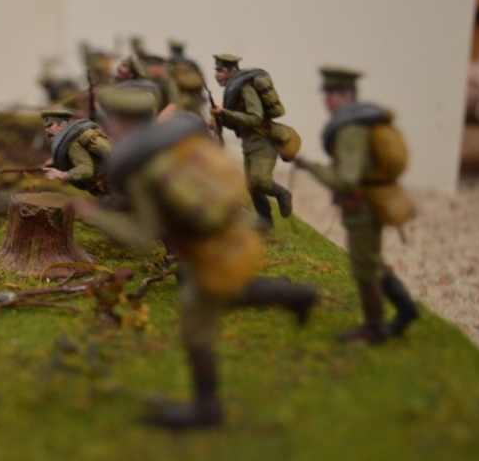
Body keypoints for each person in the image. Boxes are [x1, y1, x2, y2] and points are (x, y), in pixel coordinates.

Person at [73, 87, 317, 429]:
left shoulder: (145, 169)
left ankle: (207, 408)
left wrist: (93, 215)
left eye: (112, 119)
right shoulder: (180, 145)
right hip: (232, 237)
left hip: (208, 250)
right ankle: (297, 296)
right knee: (228, 292)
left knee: (196, 329)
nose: (108, 126)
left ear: (125, 122)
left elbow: (142, 238)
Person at [294, 67, 419, 344]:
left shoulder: (350, 128)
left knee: (365, 270)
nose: (327, 100)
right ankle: (406, 309)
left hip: (362, 207)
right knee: (373, 261)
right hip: (368, 202)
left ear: (348, 95)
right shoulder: (362, 122)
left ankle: (375, 329)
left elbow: (346, 181)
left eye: (333, 93)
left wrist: (310, 167)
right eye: (327, 93)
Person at [210, 54, 292, 232]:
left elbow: (255, 118)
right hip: (249, 142)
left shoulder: (245, 88)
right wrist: (220, 118)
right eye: (216, 70)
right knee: (251, 186)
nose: (217, 75)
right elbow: (236, 122)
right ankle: (265, 221)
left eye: (221, 71)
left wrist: (225, 113)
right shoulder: (234, 89)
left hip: (263, 140)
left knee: (261, 181)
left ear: (232, 71)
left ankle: (282, 193)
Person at [40, 108, 112, 201]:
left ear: (63, 124)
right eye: (45, 127)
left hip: (111, 189)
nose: (47, 130)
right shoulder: (70, 142)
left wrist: (64, 175)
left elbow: (86, 170)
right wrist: (54, 162)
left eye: (50, 125)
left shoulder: (73, 144)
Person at [167, 40, 205, 116]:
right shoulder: (192, 64)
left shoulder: (171, 65)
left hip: (180, 99)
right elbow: (202, 81)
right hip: (194, 99)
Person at [142, 54, 180, 120]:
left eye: (154, 66)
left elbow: (173, 103)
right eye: (150, 66)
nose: (151, 69)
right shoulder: (146, 80)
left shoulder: (166, 82)